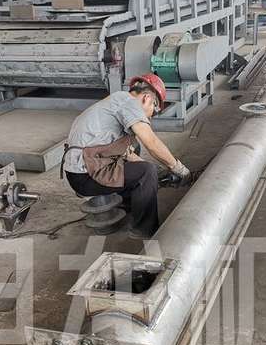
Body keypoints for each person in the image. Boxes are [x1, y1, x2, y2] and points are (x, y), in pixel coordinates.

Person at [61, 73, 191, 238]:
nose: (151, 115)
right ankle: (144, 229)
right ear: (147, 98)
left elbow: (128, 153)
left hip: (81, 170)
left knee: (136, 152)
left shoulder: (116, 101)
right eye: (155, 108)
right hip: (85, 175)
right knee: (146, 172)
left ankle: (127, 205)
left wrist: (158, 172)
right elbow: (151, 142)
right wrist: (178, 168)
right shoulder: (128, 102)